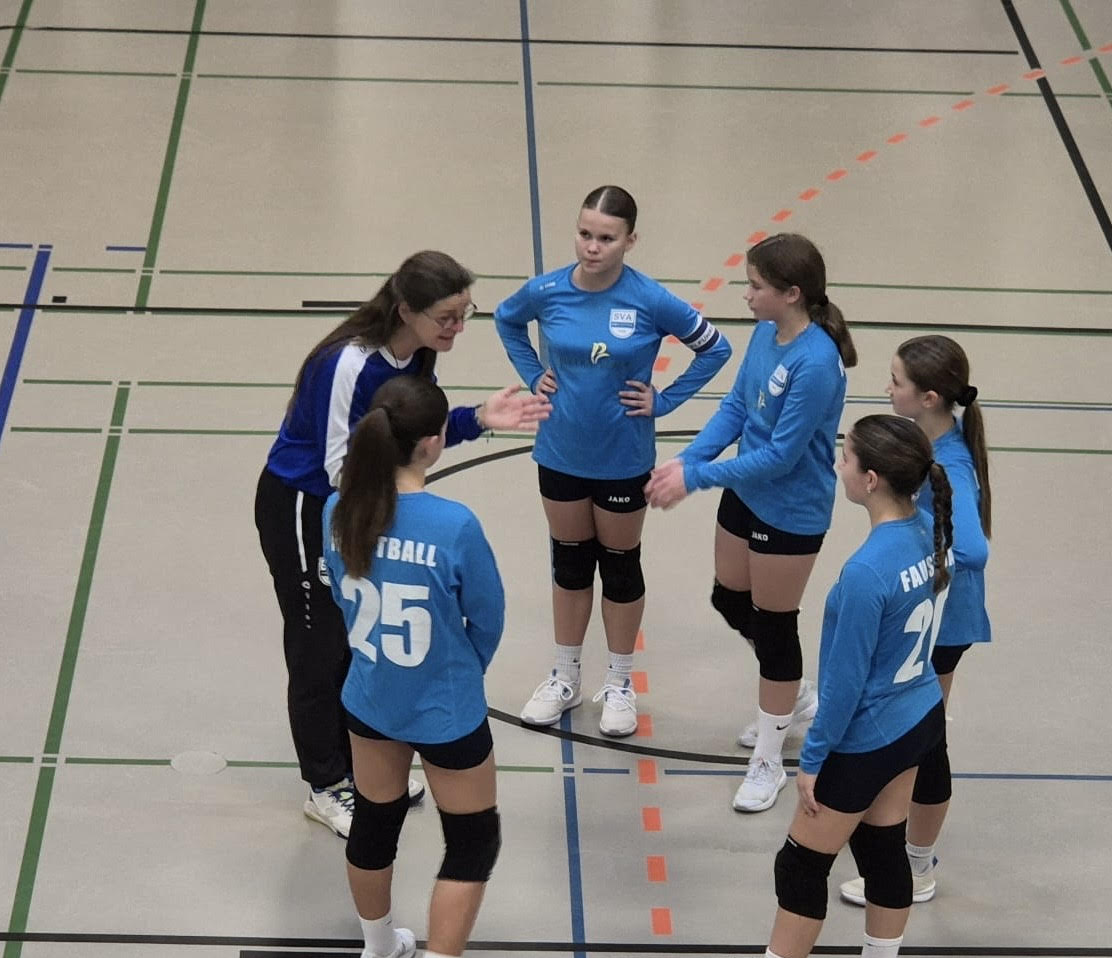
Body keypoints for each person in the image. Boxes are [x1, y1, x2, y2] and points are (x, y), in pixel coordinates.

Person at [254, 251, 548, 838]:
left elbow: (408, 436)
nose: (457, 328)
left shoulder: (417, 353)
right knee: (316, 646)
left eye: (465, 314)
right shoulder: (348, 364)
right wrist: (400, 519)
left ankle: (360, 765)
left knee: (354, 634)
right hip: (309, 506)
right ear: (406, 310)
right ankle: (325, 784)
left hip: (362, 504)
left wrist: (476, 418)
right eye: (446, 317)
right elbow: (340, 465)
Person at [693, 415, 952, 958]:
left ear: (871, 479)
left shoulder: (865, 574)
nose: (837, 466)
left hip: (866, 740)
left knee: (801, 866)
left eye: (845, 458)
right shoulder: (928, 531)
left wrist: (811, 760)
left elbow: (840, 689)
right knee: (883, 849)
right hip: (919, 716)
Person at [494, 185, 732, 737]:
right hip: (559, 451)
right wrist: (533, 374)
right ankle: (565, 675)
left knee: (620, 565)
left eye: (606, 238)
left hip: (623, 457)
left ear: (630, 240)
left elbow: (715, 348)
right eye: (585, 234)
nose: (592, 247)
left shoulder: (650, 299)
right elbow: (507, 320)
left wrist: (664, 400)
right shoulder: (548, 290)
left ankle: (620, 682)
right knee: (570, 563)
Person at [323, 376, 507, 958]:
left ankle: (377, 953)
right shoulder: (454, 524)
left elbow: (339, 595)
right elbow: (487, 617)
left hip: (371, 697)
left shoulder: (339, 509)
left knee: (376, 821)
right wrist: (458, 671)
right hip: (445, 709)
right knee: (473, 839)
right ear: (432, 443)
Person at [645, 232, 855, 812]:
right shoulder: (766, 333)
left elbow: (783, 456)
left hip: (791, 509)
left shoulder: (816, 363)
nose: (746, 295)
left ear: (791, 293)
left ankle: (769, 759)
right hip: (746, 492)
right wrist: (688, 459)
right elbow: (737, 406)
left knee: (775, 626)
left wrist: (697, 479)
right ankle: (793, 695)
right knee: (729, 598)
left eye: (756, 286)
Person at [839, 335, 991, 907]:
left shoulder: (949, 462)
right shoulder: (926, 443)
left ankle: (917, 865)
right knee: (918, 733)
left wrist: (917, 553)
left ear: (928, 397)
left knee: (926, 740)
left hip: (941, 623)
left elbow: (973, 549)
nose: (887, 388)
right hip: (925, 614)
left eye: (896, 381)